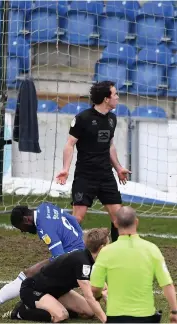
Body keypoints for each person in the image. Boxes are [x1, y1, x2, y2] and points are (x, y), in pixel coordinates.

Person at [0, 202, 85, 314]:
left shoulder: (44, 227)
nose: (23, 231)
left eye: (21, 228)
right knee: (87, 310)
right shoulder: (45, 207)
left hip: (71, 260)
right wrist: (79, 244)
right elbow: (73, 220)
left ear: (26, 220)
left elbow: (60, 257)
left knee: (29, 275)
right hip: (79, 253)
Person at [55, 81, 131, 242]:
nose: (117, 97)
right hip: (85, 176)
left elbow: (110, 146)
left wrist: (118, 168)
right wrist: (65, 169)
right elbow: (70, 144)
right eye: (115, 94)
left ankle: (117, 252)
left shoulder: (112, 119)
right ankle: (66, 251)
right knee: (77, 219)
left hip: (106, 176)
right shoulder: (82, 118)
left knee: (118, 218)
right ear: (106, 99)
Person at [90, 206, 177, 323]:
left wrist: (98, 297)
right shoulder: (152, 249)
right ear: (136, 222)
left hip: (116, 318)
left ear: (116, 223)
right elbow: (167, 285)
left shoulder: (105, 252)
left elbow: (95, 288)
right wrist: (174, 312)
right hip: (146, 318)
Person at [3, 228, 109, 323]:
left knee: (90, 312)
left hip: (58, 292)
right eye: (108, 246)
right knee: (61, 316)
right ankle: (20, 312)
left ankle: (54, 305)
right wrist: (105, 320)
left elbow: (100, 288)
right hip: (33, 290)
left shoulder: (91, 259)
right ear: (101, 248)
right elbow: (89, 296)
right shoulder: (82, 262)